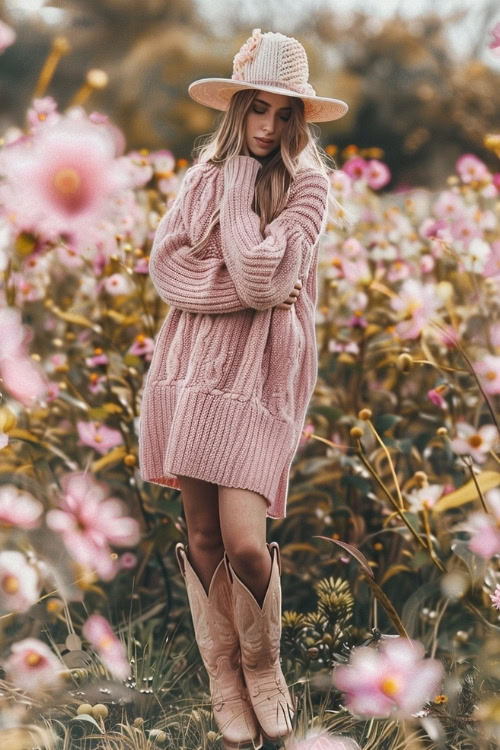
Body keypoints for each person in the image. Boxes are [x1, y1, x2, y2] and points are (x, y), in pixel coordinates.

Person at [138, 28, 349, 750]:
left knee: (245, 544)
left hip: (260, 383)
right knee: (199, 536)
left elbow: (267, 279)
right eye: (255, 109)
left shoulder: (310, 186)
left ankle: (263, 670)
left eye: (282, 113)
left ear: (297, 118)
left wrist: (237, 259)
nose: (266, 127)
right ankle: (223, 680)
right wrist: (230, 199)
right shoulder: (202, 179)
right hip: (192, 374)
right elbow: (169, 272)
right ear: (238, 109)